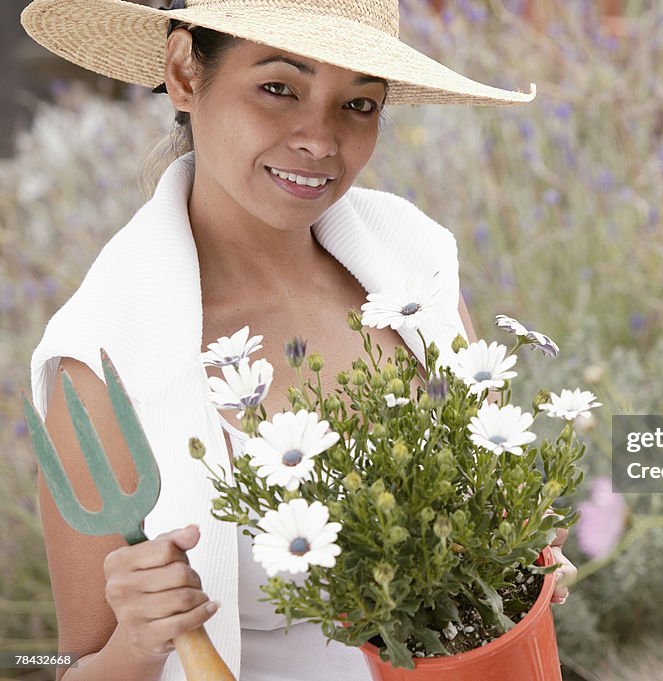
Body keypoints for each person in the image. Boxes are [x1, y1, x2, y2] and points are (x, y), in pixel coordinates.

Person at [21, 1, 576, 680]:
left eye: (360, 105)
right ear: (184, 71)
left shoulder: (413, 266)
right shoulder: (106, 362)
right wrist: (138, 641)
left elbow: (483, 528)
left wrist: (523, 559)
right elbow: (70, 666)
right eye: (279, 88)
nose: (320, 139)